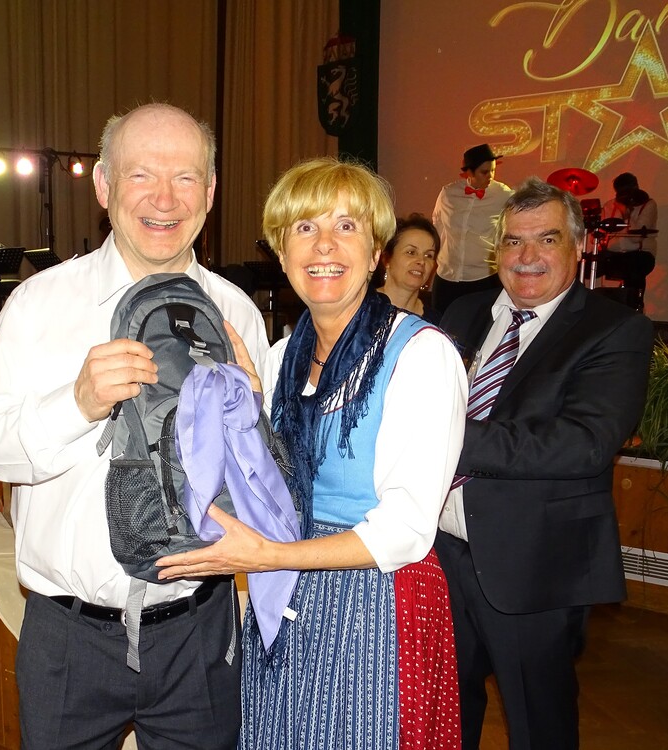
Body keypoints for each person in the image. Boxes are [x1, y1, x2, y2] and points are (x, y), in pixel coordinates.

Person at [0, 103, 269, 750]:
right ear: (103, 185)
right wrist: (76, 404)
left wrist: (251, 425)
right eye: (140, 175)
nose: (165, 199)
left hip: (200, 633)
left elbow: (260, 491)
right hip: (70, 639)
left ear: (210, 192)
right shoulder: (39, 304)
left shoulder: (236, 313)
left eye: (185, 177)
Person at [156, 157, 467, 749]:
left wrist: (273, 556)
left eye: (346, 226)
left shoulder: (422, 355)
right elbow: (263, 487)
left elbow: (406, 529)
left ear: (375, 253)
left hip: (378, 600)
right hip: (285, 593)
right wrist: (240, 417)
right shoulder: (280, 359)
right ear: (282, 252)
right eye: (304, 228)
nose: (324, 245)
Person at [436, 177, 655, 750]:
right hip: (437, 554)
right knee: (443, 716)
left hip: (534, 563)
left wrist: (438, 437)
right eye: (513, 241)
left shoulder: (614, 330)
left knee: (539, 724)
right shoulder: (462, 312)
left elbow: (583, 443)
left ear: (577, 247)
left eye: (546, 239)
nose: (526, 256)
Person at [431, 143, 514, 315]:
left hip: (483, 278)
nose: (490, 176)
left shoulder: (503, 195)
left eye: (492, 170)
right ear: (469, 172)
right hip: (447, 276)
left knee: (481, 328)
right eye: (484, 172)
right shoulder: (448, 193)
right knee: (439, 323)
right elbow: (438, 224)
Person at [599, 172, 658, 311]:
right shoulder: (609, 206)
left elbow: (636, 236)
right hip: (613, 254)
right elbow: (602, 233)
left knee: (634, 268)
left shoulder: (648, 204)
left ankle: (635, 308)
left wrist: (627, 214)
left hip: (640, 254)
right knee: (587, 265)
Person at [376, 212, 442, 324]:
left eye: (429, 255)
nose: (421, 261)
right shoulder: (361, 306)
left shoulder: (435, 322)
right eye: (411, 252)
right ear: (387, 259)